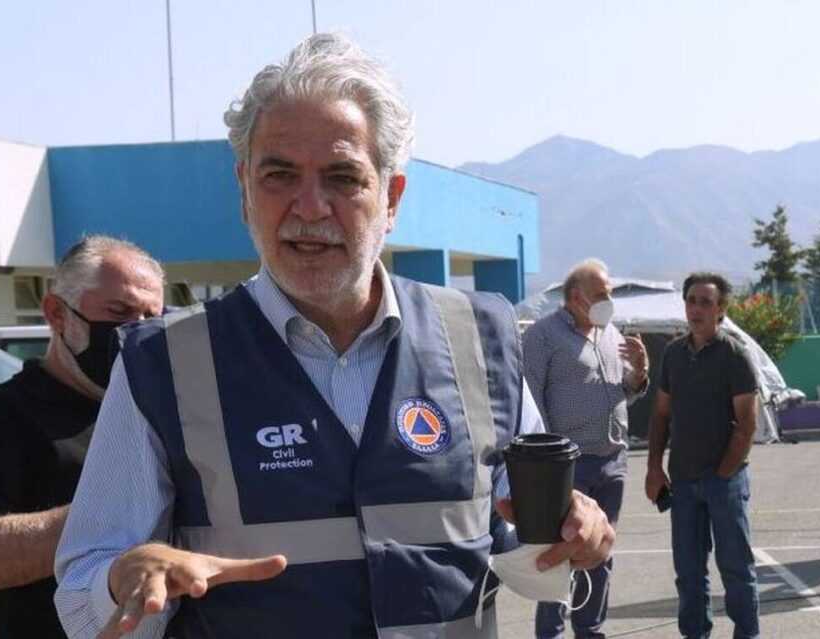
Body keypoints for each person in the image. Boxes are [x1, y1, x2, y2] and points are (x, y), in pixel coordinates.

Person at [54, 33, 615, 639]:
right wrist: (121, 579)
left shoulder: (480, 340)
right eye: (279, 175)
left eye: (343, 177)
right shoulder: (162, 363)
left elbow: (514, 525)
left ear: (391, 198)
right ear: (244, 191)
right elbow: (80, 598)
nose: (310, 206)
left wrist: (575, 528)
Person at [0, 236, 165, 638]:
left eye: (151, 318)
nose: (136, 331)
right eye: (119, 313)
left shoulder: (154, 408)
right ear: (57, 313)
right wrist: (115, 513)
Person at [522, 258, 648, 639]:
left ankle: (591, 631)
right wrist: (546, 464)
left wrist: (639, 373)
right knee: (561, 554)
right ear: (576, 297)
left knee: (600, 552)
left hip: (613, 461)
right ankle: (551, 634)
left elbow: (622, 391)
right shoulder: (542, 336)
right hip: (567, 466)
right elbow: (530, 399)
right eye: (601, 294)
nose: (608, 301)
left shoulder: (610, 333)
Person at [645, 272, 760, 639]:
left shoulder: (735, 355)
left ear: (720, 309)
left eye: (706, 302)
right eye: (691, 301)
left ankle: (747, 634)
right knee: (689, 573)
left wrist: (722, 475)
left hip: (725, 482)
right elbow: (661, 414)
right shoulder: (673, 354)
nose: (696, 309)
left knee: (736, 569)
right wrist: (654, 468)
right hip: (682, 483)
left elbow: (747, 424)